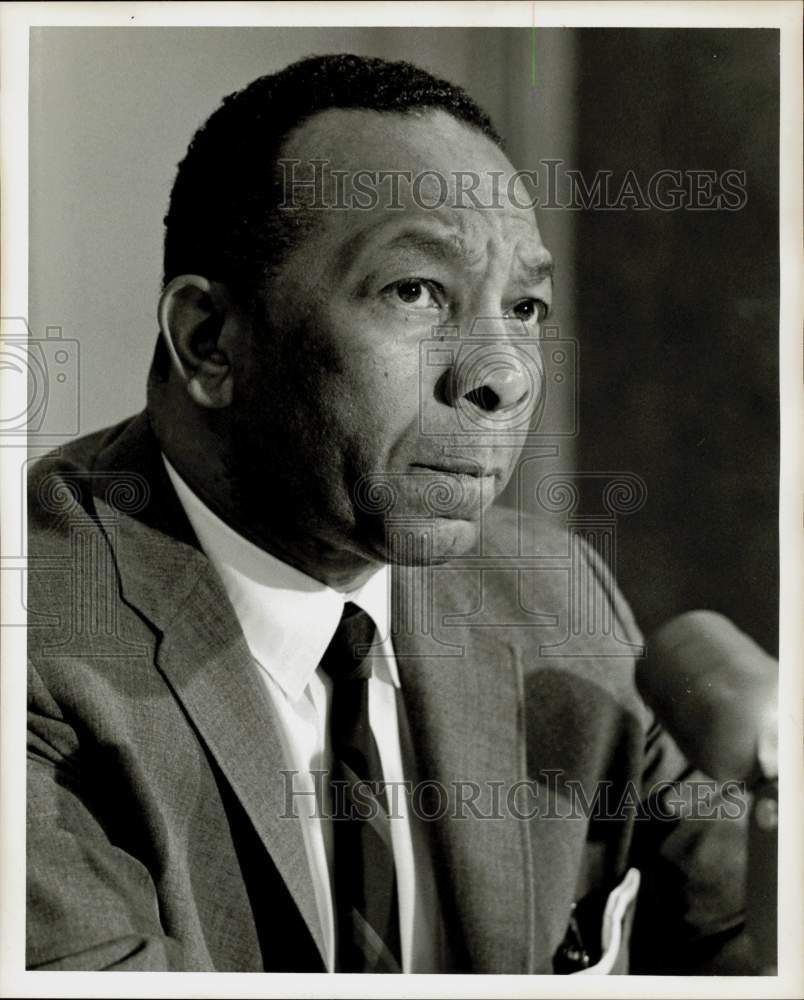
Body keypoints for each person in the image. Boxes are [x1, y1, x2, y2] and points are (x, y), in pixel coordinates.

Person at [26, 53, 750, 974]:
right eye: (415, 291)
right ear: (211, 342)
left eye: (525, 306)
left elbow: (751, 944)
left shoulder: (556, 603)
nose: (503, 376)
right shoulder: (35, 633)